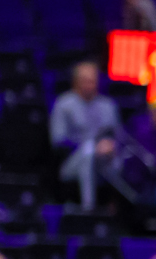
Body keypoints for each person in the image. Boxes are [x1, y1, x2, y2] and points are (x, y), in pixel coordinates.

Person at [50, 61, 121, 210]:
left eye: (92, 81)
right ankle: (88, 209)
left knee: (119, 157)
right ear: (75, 82)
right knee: (88, 152)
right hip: (72, 162)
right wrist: (93, 147)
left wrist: (110, 145)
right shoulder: (64, 104)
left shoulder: (107, 105)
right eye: (85, 81)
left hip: (103, 161)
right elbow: (58, 140)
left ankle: (118, 207)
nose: (90, 85)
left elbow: (117, 137)